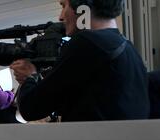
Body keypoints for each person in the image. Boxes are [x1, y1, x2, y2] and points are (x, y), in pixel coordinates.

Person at [10, 0, 150, 122]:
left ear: (83, 6)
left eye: (64, 6)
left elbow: (31, 109)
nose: (61, 16)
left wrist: (29, 76)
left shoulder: (87, 42)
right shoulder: (127, 47)